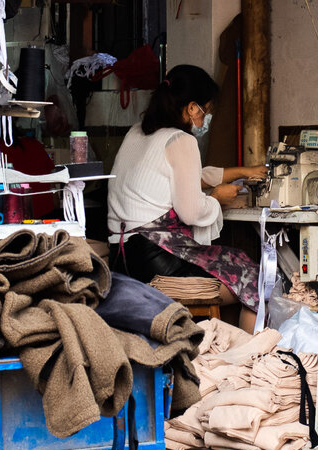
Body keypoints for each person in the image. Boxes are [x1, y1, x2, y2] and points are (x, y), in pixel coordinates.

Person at [107, 64, 266, 331]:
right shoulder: (181, 140)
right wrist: (216, 198)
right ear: (192, 108)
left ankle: (224, 348)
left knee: (236, 265)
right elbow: (191, 212)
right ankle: (248, 359)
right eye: (205, 112)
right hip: (157, 260)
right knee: (257, 278)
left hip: (122, 256)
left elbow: (187, 175)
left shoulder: (137, 132)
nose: (204, 121)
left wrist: (242, 171)